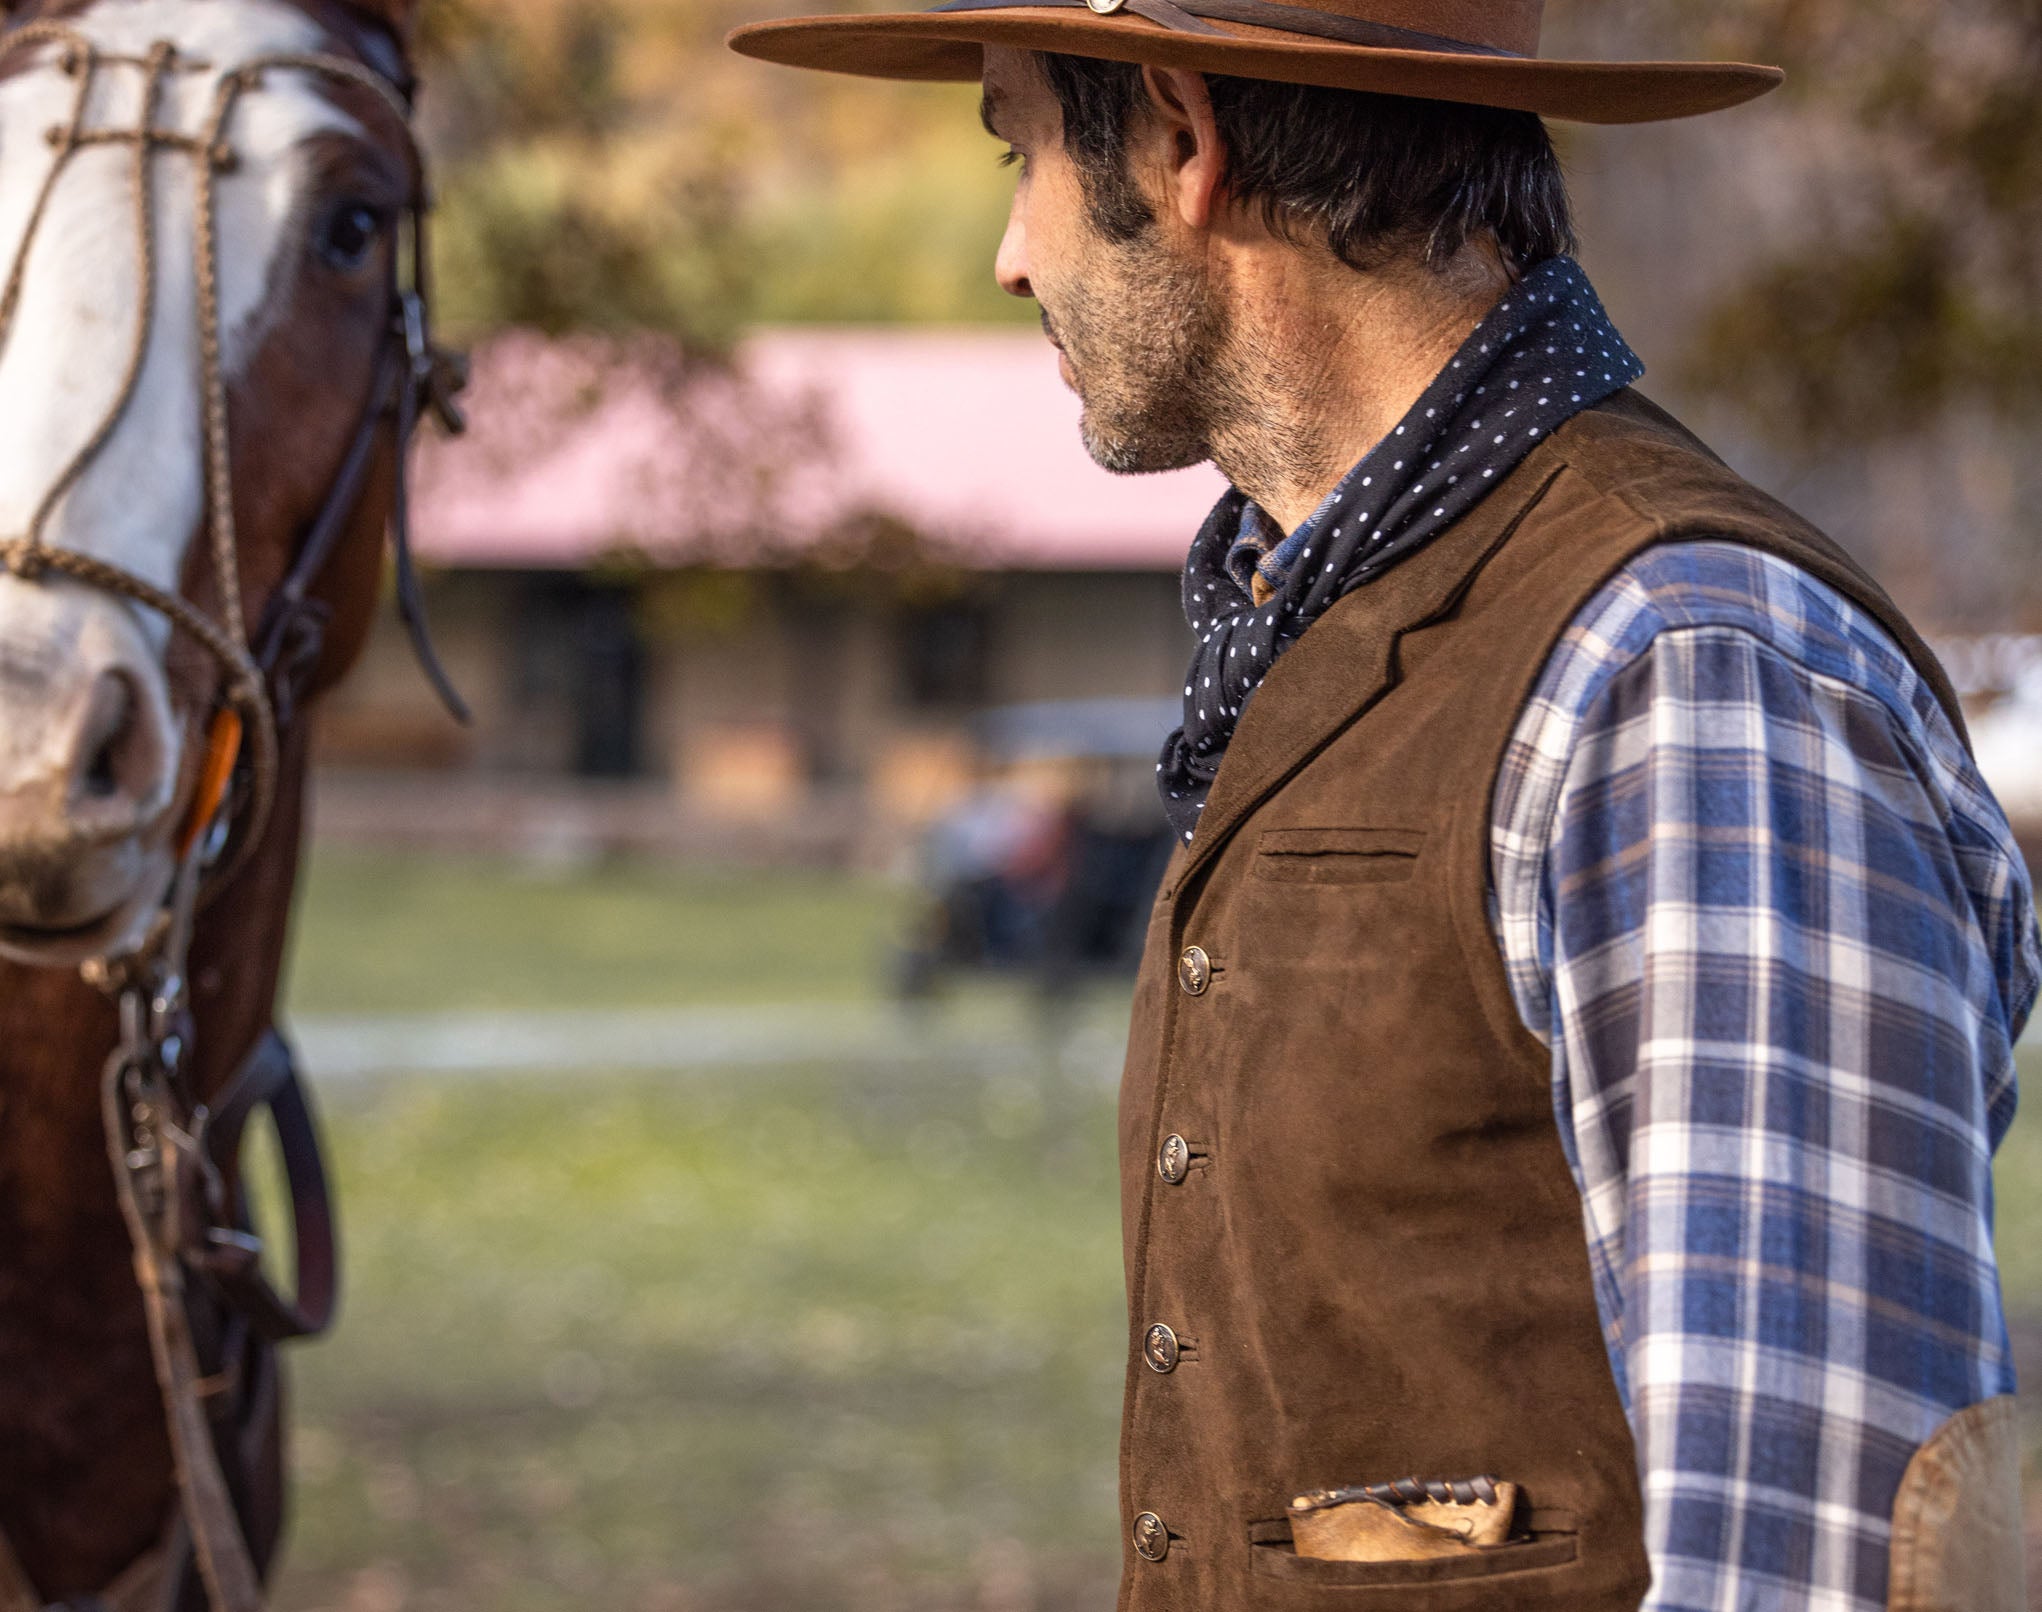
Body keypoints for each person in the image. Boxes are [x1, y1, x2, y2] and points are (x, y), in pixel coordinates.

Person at [728, 5, 2039, 1608]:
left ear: (1179, 137)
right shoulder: (1329, 615)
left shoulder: (1681, 668)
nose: (1011, 254)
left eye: (1023, 153)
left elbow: (1813, 1538)